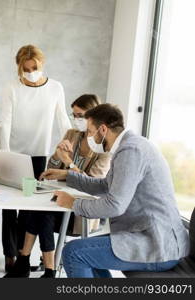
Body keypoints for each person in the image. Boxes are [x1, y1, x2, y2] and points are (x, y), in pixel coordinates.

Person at [42, 103, 189, 278]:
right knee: (84, 251)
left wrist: (74, 203)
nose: (87, 137)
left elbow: (115, 205)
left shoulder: (131, 150)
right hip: (154, 239)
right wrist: (68, 175)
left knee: (74, 252)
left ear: (102, 129)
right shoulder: (129, 147)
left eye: (90, 131)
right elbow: (105, 186)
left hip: (157, 245)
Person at [4, 94, 111, 278]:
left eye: (80, 115)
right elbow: (52, 168)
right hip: (59, 199)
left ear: (93, 117)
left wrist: (68, 165)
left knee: (42, 211)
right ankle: (42, 269)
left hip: (79, 209)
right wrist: (56, 155)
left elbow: (92, 183)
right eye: (74, 115)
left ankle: (30, 264)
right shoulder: (72, 134)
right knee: (36, 208)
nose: (76, 120)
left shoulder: (105, 149)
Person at [0, 45, 71, 271]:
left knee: (31, 209)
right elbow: (5, 122)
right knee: (10, 208)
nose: (31, 72)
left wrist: (70, 143)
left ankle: (24, 255)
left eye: (35, 67)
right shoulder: (12, 87)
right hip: (14, 154)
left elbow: (62, 118)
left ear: (42, 64)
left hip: (40, 156)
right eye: (26, 69)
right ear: (19, 68)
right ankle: (10, 255)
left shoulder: (55, 87)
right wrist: (5, 154)